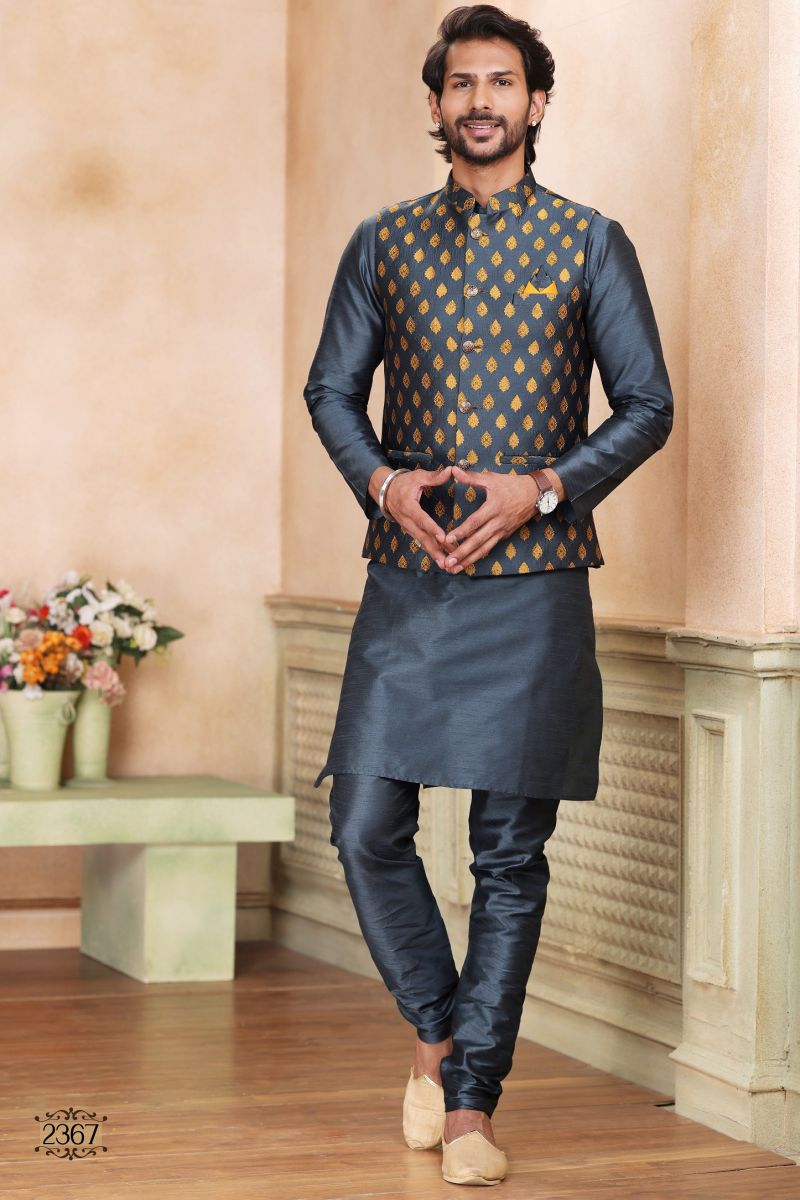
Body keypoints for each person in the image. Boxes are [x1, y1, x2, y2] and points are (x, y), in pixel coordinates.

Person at [303, 3, 673, 1186]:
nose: (479, 101)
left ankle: (468, 1108)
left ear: (534, 101)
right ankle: (436, 1033)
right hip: (408, 579)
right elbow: (329, 390)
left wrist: (542, 488)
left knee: (509, 856)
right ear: (434, 104)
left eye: (500, 82)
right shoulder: (382, 243)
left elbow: (646, 404)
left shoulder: (589, 243)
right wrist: (383, 483)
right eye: (460, 83)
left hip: (535, 587)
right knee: (365, 824)